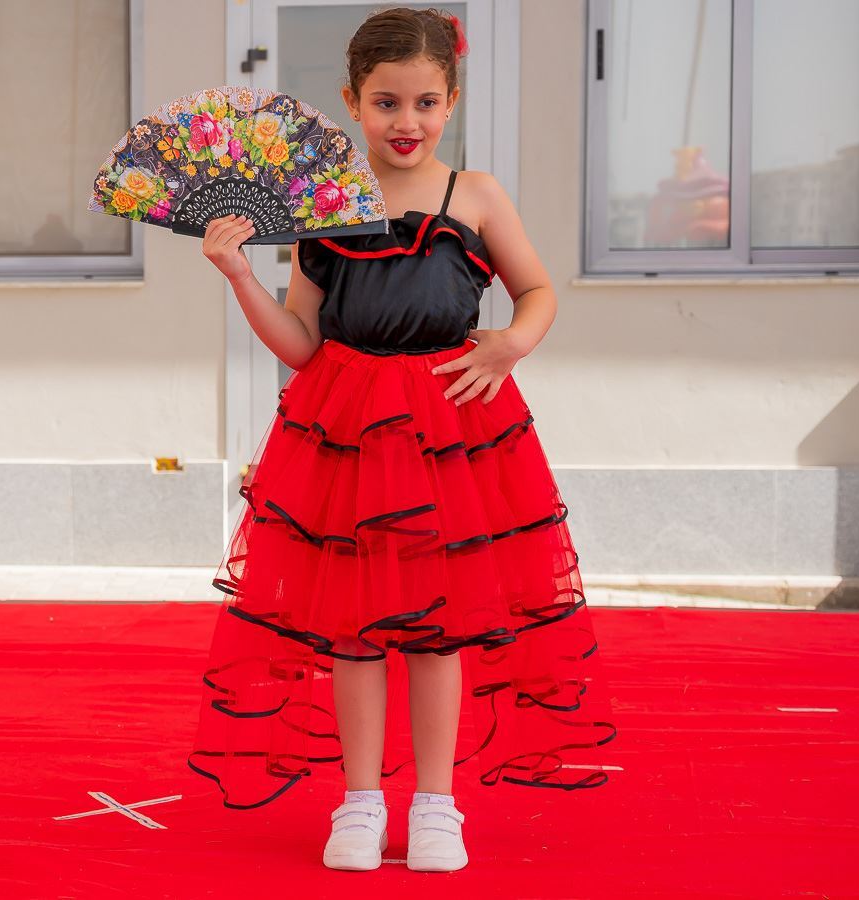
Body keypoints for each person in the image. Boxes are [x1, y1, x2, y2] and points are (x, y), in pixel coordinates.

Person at [190, 7, 618, 874]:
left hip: (449, 431)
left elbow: (538, 291)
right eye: (385, 102)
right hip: (345, 433)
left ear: (450, 101)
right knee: (352, 630)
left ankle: (435, 806)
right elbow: (301, 345)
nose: (406, 121)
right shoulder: (324, 205)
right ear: (352, 101)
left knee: (437, 630)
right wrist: (239, 275)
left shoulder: (478, 196)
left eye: (425, 102)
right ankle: (357, 803)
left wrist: (508, 344)